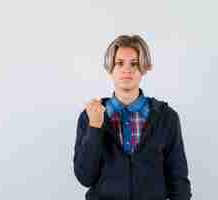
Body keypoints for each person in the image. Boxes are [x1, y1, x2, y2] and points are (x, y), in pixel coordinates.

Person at [73, 34, 192, 200]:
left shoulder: (166, 118)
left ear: (143, 67)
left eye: (134, 64)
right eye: (119, 63)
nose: (126, 69)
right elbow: (85, 177)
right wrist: (95, 128)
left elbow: (178, 179)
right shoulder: (90, 117)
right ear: (110, 68)